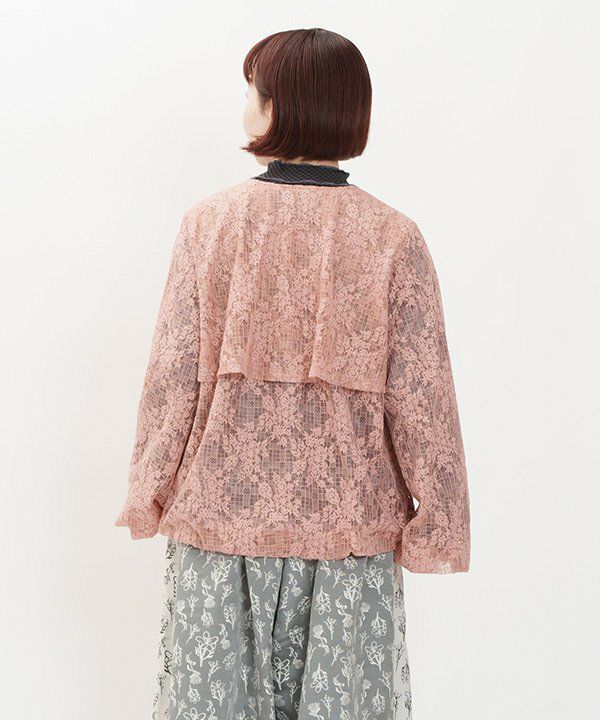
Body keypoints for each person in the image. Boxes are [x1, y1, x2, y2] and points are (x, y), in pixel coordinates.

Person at [115, 27, 471, 720]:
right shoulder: (393, 237)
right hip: (350, 535)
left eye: (253, 91)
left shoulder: (209, 225)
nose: (246, 106)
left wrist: (148, 489)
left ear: (280, 104)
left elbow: (171, 379)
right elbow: (424, 398)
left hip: (220, 525)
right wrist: (440, 519)